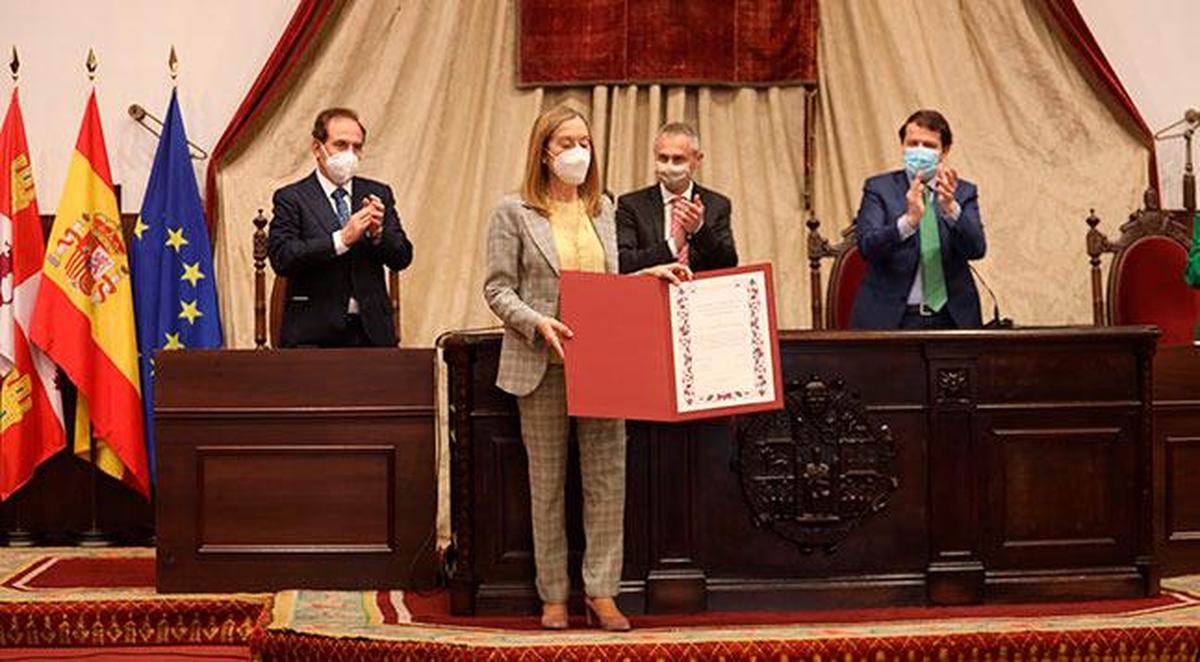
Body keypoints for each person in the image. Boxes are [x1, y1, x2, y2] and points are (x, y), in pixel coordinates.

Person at [484, 105, 689, 632]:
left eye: (585, 142)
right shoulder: (514, 211)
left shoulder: (603, 208)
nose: (579, 151)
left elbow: (609, 286)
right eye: (566, 143)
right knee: (547, 485)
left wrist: (652, 274)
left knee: (606, 483)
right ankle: (553, 595)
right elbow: (498, 288)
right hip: (542, 364)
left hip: (603, 365)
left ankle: (602, 592)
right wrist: (536, 322)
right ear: (544, 152)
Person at [267, 107, 413, 347]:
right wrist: (341, 240)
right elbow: (283, 257)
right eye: (341, 145)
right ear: (317, 148)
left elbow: (402, 257)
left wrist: (379, 235)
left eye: (357, 147)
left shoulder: (378, 193)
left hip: (372, 333)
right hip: (313, 334)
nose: (350, 154)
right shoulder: (292, 198)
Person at [850, 109, 986, 330]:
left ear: (944, 151)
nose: (919, 151)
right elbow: (867, 247)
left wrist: (950, 208)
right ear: (902, 146)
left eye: (929, 145)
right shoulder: (879, 188)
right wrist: (909, 221)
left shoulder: (963, 192)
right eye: (912, 143)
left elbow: (976, 249)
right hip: (891, 318)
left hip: (951, 319)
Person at [616, 122, 737, 273]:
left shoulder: (717, 205)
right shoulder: (631, 205)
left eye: (678, 159)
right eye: (663, 158)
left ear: (697, 160)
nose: (669, 166)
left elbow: (728, 264)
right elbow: (623, 263)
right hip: (651, 291)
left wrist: (699, 229)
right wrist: (672, 246)